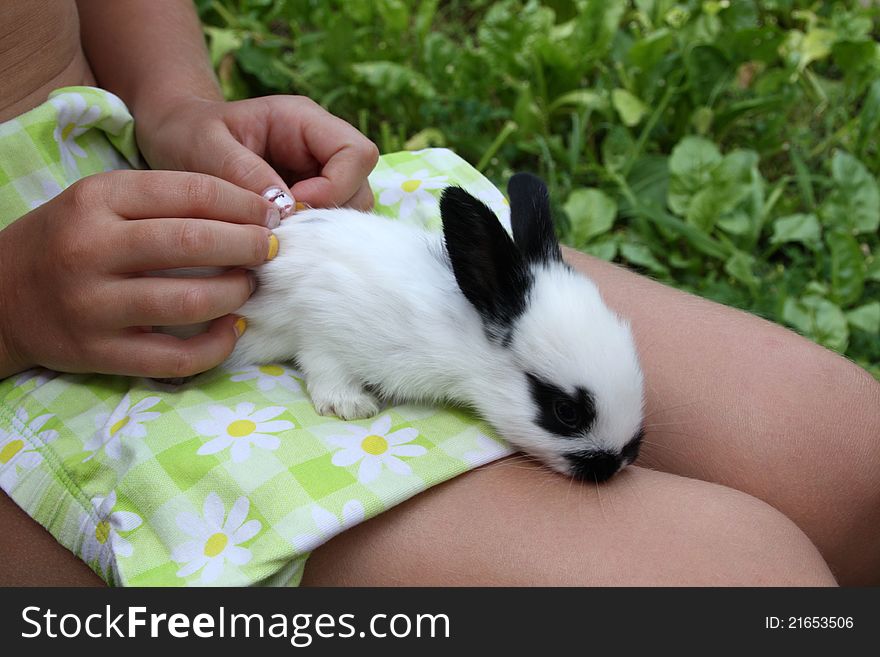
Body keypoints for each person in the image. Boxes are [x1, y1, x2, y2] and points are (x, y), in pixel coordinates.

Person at [0, 1, 877, 587]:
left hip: (134, 181)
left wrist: (177, 104)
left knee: (853, 459)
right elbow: (332, 313)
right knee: (744, 588)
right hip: (51, 345)